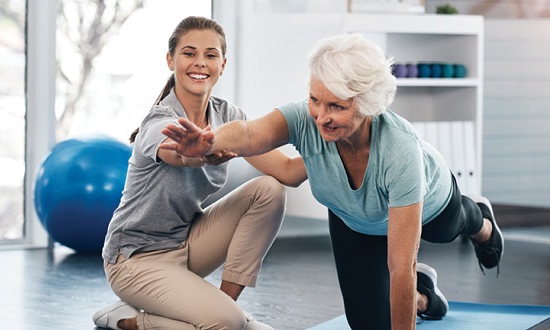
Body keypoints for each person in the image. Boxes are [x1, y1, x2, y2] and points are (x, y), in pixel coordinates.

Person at [160, 33, 504, 329]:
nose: (321, 117)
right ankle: (424, 298)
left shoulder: (400, 151)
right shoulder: (305, 120)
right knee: (368, 322)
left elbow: (401, 266)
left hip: (432, 205)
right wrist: (212, 141)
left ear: (368, 104)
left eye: (337, 107)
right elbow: (251, 133)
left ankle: (482, 220)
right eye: (315, 100)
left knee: (450, 227)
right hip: (354, 220)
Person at [92, 16, 307, 330]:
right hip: (134, 259)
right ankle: (128, 320)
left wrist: (335, 145)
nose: (200, 63)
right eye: (189, 53)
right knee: (231, 325)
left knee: (269, 190)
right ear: (171, 60)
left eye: (210, 55)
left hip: (186, 245)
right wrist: (192, 153)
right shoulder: (161, 120)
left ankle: (226, 309)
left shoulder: (229, 117)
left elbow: (288, 171)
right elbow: (175, 153)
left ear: (223, 63)